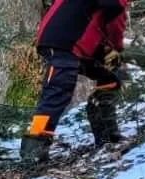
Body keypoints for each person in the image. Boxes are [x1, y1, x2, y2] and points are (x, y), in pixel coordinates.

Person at [21, 0, 130, 163]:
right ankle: (33, 152)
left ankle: (107, 134)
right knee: (56, 93)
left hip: (67, 40)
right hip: (63, 42)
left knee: (109, 79)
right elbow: (115, 14)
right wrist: (117, 47)